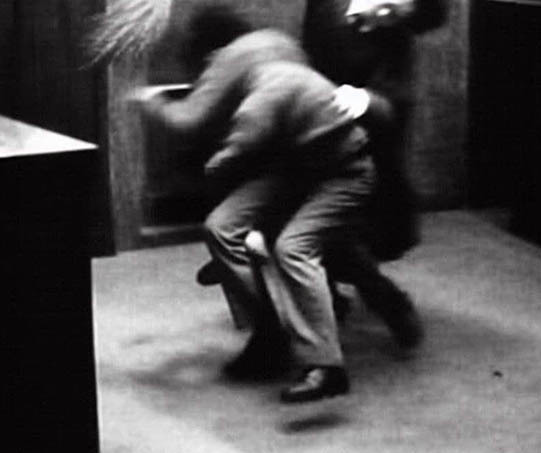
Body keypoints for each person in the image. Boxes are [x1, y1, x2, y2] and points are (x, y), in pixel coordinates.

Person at [183, 0, 450, 351]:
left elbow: (397, 101)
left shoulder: (395, 40)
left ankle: (386, 301)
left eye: (395, 19)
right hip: (300, 124)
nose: (381, 20)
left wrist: (366, 99)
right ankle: (322, 297)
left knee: (327, 234)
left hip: (351, 141)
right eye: (386, 6)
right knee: (271, 207)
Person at [134, 30, 376, 403]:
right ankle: (274, 327)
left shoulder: (255, 101)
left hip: (344, 171)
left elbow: (221, 152)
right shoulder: (273, 52)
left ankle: (326, 367)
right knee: (222, 227)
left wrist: (154, 106)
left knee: (293, 248)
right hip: (294, 166)